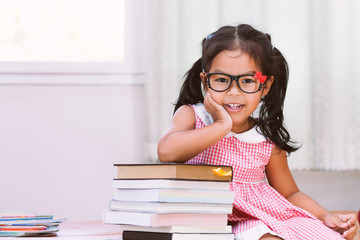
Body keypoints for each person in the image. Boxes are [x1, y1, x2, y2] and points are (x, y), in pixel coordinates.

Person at [157, 24, 358, 240]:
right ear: (206, 81)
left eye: (247, 81)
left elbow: (289, 193)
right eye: (222, 80)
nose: (233, 93)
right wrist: (220, 126)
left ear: (266, 85)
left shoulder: (264, 136)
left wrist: (325, 215)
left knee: (317, 235)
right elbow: (166, 152)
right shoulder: (192, 116)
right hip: (209, 218)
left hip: (260, 216)